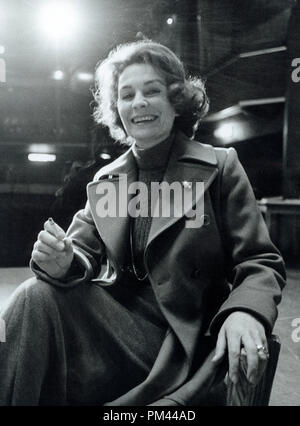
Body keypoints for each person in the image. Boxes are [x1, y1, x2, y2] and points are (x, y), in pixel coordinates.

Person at [0, 40, 286, 406]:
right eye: (126, 94)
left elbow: (261, 262)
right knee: (33, 296)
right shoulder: (106, 180)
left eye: (152, 91)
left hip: (185, 342)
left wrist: (246, 311)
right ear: (117, 109)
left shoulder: (221, 165)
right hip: (113, 334)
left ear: (177, 100)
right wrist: (63, 260)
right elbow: (81, 253)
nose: (138, 102)